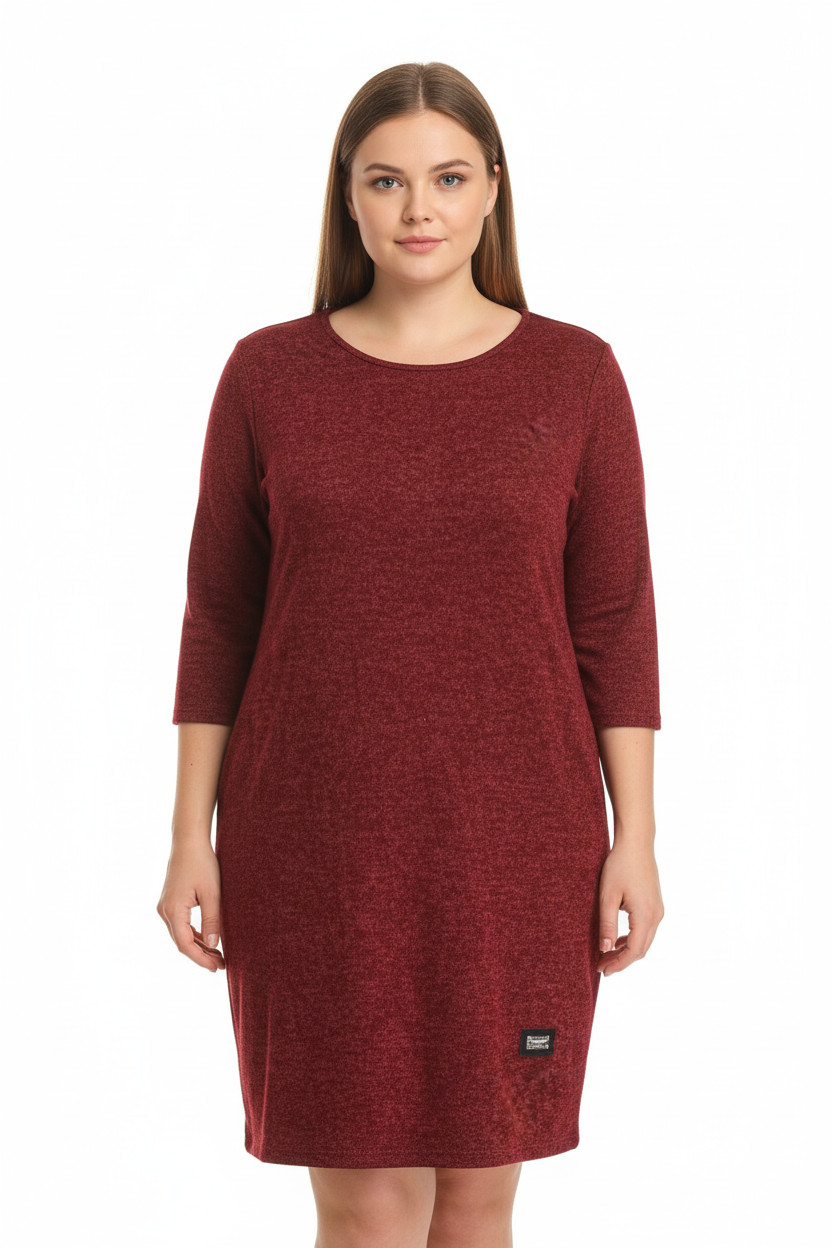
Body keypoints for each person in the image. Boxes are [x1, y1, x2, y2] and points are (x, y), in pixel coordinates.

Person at [158, 60, 664, 1248]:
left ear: (493, 188)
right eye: (386, 181)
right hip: (313, 839)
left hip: (516, 843)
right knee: (368, 1205)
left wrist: (635, 837)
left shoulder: (576, 373)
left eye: (446, 178)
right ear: (347, 194)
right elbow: (218, 615)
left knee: (480, 1194)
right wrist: (189, 834)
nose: (418, 208)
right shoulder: (268, 375)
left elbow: (614, 622)